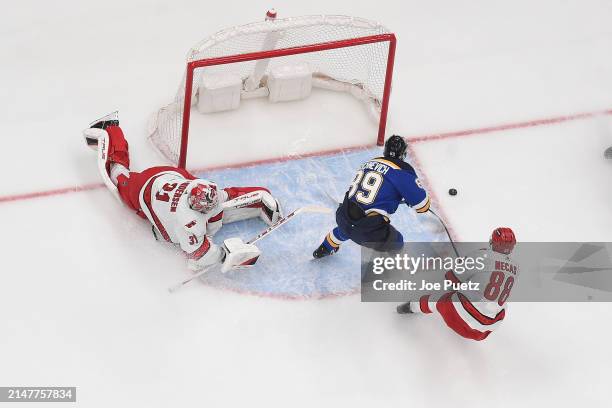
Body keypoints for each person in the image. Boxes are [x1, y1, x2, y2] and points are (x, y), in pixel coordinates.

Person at [84, 112, 281, 273]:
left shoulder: (205, 189)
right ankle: (109, 129)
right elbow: (198, 255)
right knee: (117, 175)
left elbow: (230, 196)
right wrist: (225, 256)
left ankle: (111, 130)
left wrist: (264, 198)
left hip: (172, 176)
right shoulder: (188, 221)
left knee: (221, 203)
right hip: (144, 189)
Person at [312, 135, 430, 258]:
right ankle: (390, 270)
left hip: (342, 217)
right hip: (368, 231)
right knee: (397, 242)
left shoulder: (369, 163)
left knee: (346, 228)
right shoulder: (402, 170)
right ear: (403, 154)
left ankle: (324, 248)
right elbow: (422, 206)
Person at [397, 227, 518, 341]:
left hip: (462, 319)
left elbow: (451, 279)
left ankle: (409, 308)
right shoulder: (516, 268)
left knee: (440, 298)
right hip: (486, 330)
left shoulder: (483, 256)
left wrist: (462, 265)